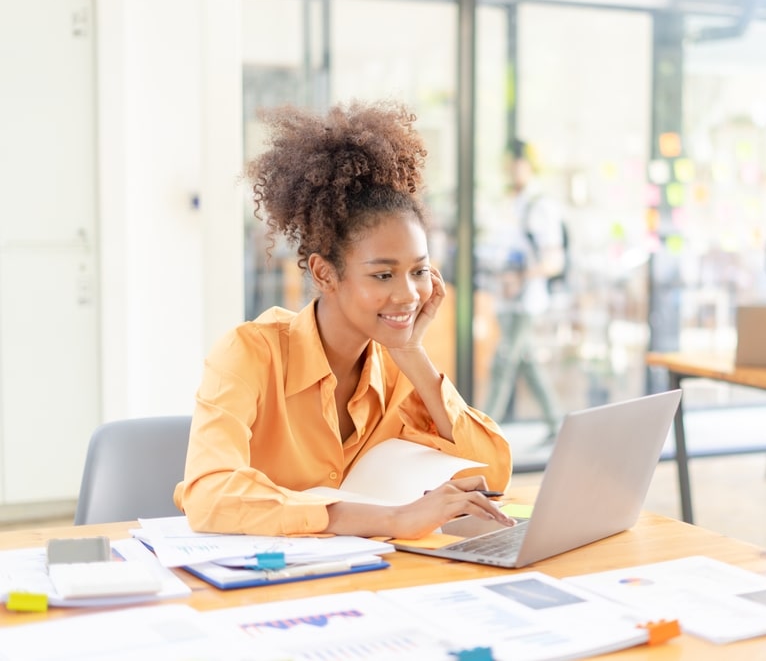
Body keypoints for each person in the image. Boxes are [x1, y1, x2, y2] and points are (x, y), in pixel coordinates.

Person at [173, 100, 514, 539]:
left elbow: (494, 473)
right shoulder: (249, 354)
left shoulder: (398, 366)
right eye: (383, 274)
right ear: (324, 273)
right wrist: (387, 519)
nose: (408, 294)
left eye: (418, 271)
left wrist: (412, 354)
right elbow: (209, 494)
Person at [481, 139, 565, 442]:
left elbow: (554, 260)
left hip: (525, 300)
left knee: (503, 362)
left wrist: (521, 277)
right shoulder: (506, 203)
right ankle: (558, 422)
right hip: (504, 299)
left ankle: (482, 433)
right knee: (526, 362)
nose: (510, 170)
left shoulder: (539, 205)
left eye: (515, 163)